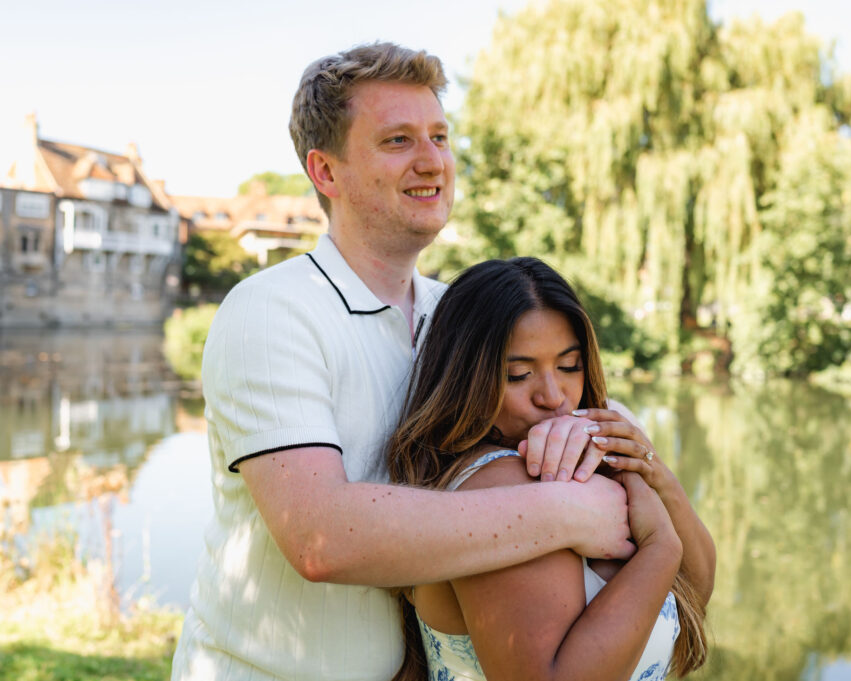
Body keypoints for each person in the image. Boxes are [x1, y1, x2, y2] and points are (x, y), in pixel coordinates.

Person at [172, 43, 655, 681]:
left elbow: (514, 432)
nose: (433, 162)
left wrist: (579, 431)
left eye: (440, 137)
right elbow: (323, 539)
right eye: (398, 140)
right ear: (325, 172)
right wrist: (570, 512)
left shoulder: (457, 316)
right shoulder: (272, 312)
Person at [387, 257, 715, 681]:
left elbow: (696, 593)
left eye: (568, 367)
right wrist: (660, 548)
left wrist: (650, 473)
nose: (553, 396)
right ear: (464, 378)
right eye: (518, 374)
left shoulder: (582, 459)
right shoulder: (500, 486)